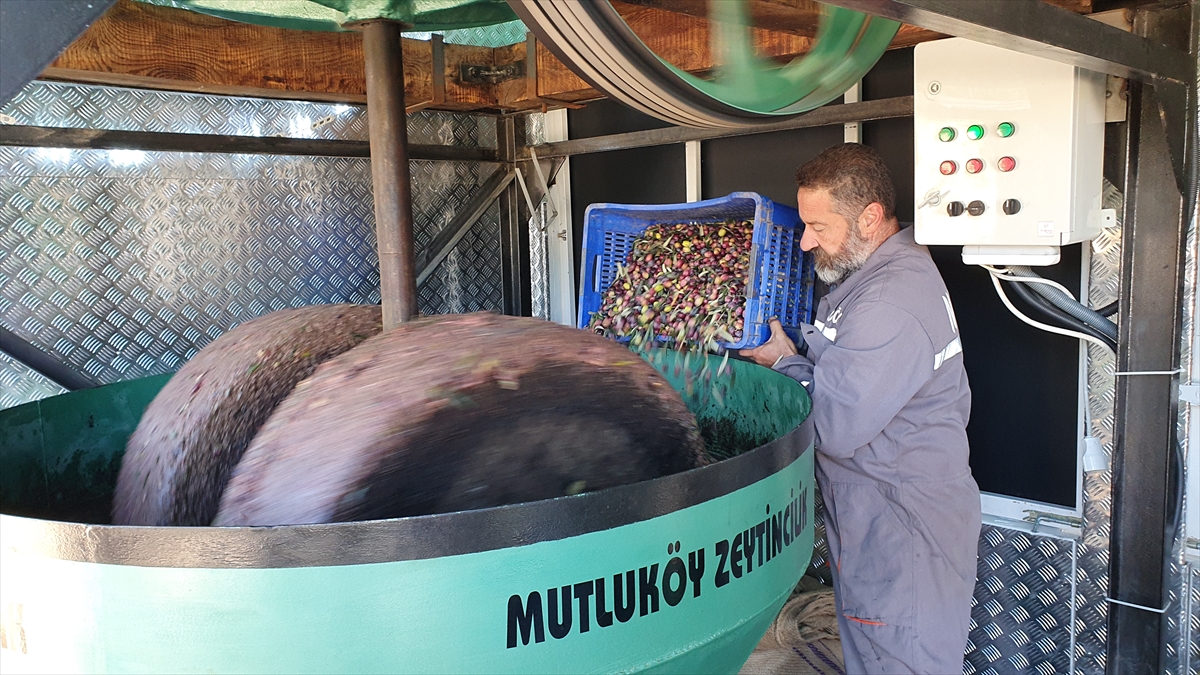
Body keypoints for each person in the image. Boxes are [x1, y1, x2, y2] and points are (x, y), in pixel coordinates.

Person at [742, 143, 981, 674]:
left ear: (870, 218)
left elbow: (832, 424)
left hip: (901, 530)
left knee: (898, 662)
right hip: (879, 517)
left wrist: (785, 371)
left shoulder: (889, 301)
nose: (805, 241)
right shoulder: (878, 276)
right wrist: (790, 359)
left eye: (819, 227)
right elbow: (843, 384)